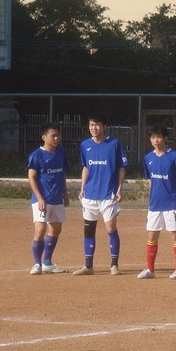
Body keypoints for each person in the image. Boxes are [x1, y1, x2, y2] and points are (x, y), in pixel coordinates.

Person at [73, 112, 128, 276]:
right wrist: (82, 188)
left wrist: (119, 188)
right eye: (91, 125)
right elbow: (86, 167)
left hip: (108, 194)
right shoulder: (85, 145)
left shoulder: (114, 144)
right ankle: (88, 266)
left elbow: (121, 168)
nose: (94, 128)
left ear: (104, 127)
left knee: (111, 228)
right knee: (89, 229)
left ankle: (114, 265)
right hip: (90, 194)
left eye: (97, 125)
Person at [139, 125, 176, 280]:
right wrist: (152, 194)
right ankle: (150, 269)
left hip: (171, 203)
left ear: (165, 138)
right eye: (153, 137)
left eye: (159, 137)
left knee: (174, 235)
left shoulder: (174, 157)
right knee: (152, 235)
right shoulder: (148, 158)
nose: (156, 140)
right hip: (155, 204)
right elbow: (149, 179)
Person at [26, 123, 69, 275]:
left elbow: (62, 174)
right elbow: (32, 177)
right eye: (53, 135)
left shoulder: (61, 153)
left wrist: (65, 193)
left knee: (56, 229)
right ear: (44, 137)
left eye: (58, 135)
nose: (56, 138)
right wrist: (39, 198)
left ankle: (47, 263)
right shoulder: (36, 155)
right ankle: (37, 264)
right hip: (42, 199)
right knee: (40, 229)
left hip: (56, 198)